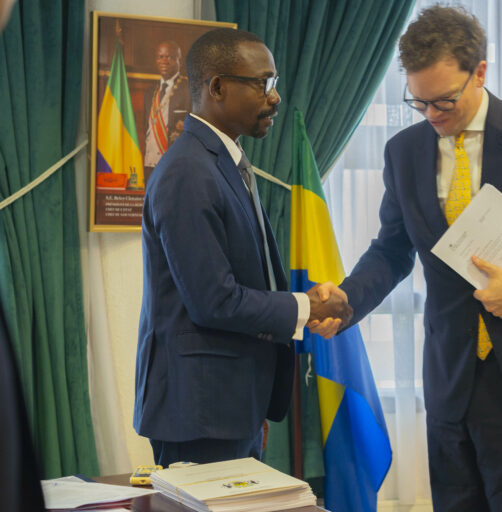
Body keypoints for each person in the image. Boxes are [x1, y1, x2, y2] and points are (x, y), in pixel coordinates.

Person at [315, 6, 502, 511]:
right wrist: (347, 298)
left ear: (480, 71)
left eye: (444, 101)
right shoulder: (403, 152)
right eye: (418, 102)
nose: (432, 115)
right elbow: (392, 250)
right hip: (451, 380)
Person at [133, 27, 351, 467]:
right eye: (263, 83)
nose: (275, 97)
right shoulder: (188, 171)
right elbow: (214, 301)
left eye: (275, 83)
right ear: (217, 87)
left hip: (230, 404)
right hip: (199, 413)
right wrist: (305, 306)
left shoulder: (221, 161)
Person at [142, 40, 191, 187]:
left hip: (176, 163)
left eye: (169, 57)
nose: (164, 61)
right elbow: (145, 128)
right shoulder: (150, 92)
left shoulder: (188, 90)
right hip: (150, 163)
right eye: (160, 57)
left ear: (179, 60)